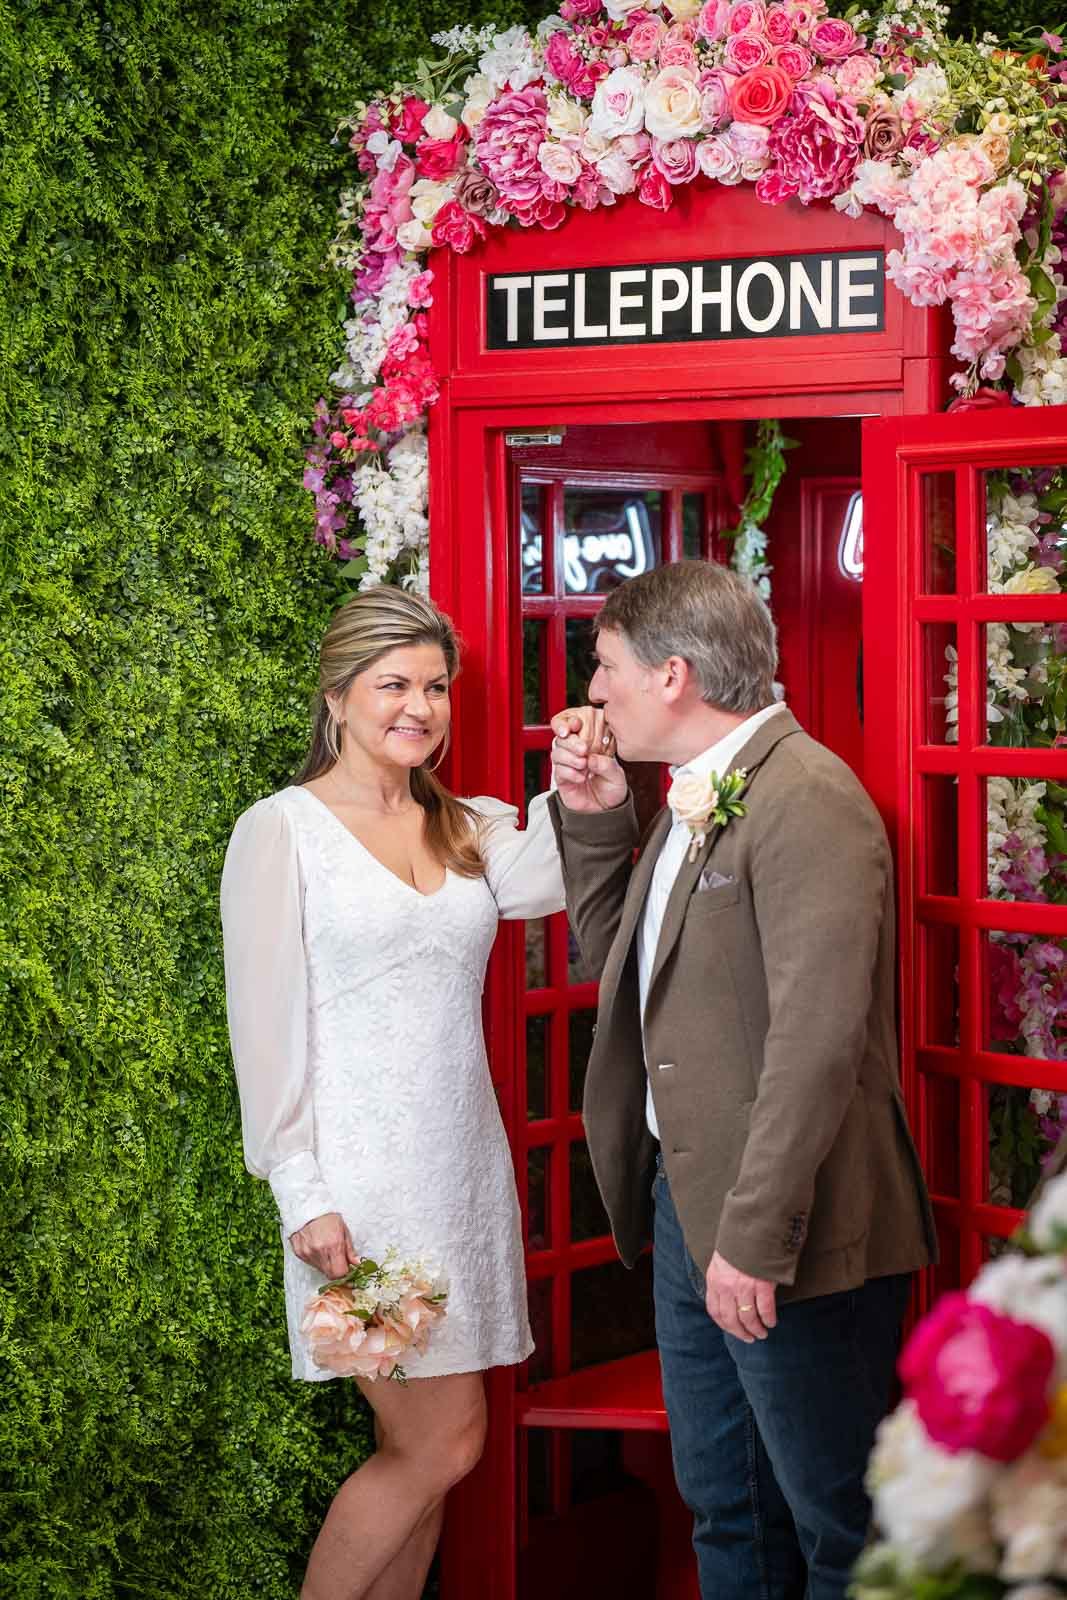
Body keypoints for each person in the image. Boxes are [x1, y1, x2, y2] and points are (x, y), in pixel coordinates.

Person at [547, 560, 937, 1600]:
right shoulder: (688, 797)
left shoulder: (806, 797)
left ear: (671, 675)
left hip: (792, 1227)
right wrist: (591, 820)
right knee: (728, 1509)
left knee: (836, 1524)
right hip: (689, 1207)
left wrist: (751, 1237)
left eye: (606, 667)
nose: (594, 694)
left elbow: (815, 1040)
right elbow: (625, 984)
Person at [220, 587, 564, 1600]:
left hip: (459, 1179)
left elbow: (551, 883)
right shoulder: (281, 832)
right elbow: (264, 1026)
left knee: (430, 1465)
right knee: (443, 1442)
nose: (419, 705)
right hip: (358, 1197)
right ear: (338, 696)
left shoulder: (464, 826)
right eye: (393, 684)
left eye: (436, 686)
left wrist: (584, 776)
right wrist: (301, 1189)